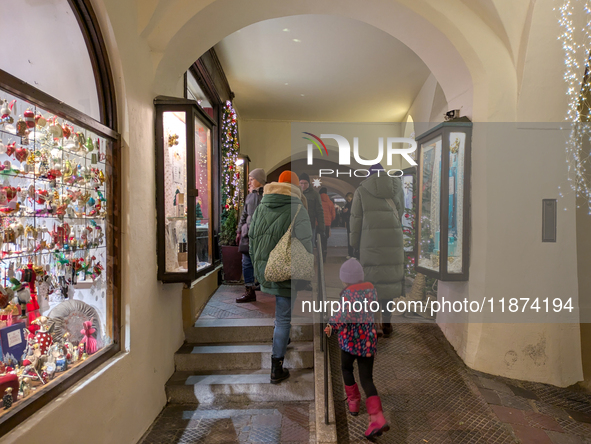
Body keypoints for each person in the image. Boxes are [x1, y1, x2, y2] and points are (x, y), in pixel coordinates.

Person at [249, 171, 313, 384]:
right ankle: (276, 367)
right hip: (288, 271)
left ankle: (282, 340)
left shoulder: (261, 205)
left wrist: (259, 267)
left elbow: (253, 239)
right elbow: (305, 243)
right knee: (283, 318)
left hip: (267, 268)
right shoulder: (298, 208)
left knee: (281, 318)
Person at [324, 258, 389, 439]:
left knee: (346, 368)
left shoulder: (348, 296)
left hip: (350, 343)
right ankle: (377, 418)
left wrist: (329, 327)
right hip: (368, 342)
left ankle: (353, 402)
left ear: (345, 280)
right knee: (367, 379)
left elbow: (342, 316)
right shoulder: (371, 291)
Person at [349, 167, 404, 338]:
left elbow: (355, 220)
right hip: (393, 241)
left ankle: (373, 325)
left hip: (369, 242)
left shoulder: (361, 191)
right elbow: (400, 214)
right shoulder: (397, 188)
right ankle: (386, 323)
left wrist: (353, 245)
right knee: (388, 283)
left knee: (372, 284)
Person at [235, 168, 266, 303]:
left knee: (260, 261)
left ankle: (261, 283)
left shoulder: (267, 195)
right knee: (246, 262)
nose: (249, 182)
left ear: (259, 180)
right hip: (247, 234)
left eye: (251, 179)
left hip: (261, 235)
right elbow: (244, 214)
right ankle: (249, 290)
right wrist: (239, 231)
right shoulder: (249, 196)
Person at [298, 173, 325, 245]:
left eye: (305, 183)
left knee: (309, 246)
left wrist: (321, 227)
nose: (303, 185)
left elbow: (319, 211)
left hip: (310, 224)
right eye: (301, 183)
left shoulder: (315, 195)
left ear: (309, 183)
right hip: (297, 225)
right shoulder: (295, 194)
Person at [319, 187, 335, 260]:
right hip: (327, 224)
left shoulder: (318, 201)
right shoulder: (330, 202)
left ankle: (320, 253)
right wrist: (330, 220)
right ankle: (324, 253)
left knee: (318, 239)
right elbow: (333, 215)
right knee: (325, 239)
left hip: (318, 223)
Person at [342, 192, 354, 257]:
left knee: (351, 238)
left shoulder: (353, 204)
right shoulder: (347, 204)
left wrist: (347, 211)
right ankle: (350, 253)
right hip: (349, 222)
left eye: (349, 199)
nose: (348, 200)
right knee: (349, 238)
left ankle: (352, 253)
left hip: (352, 222)